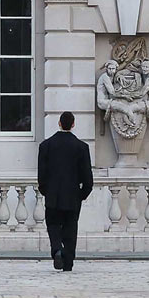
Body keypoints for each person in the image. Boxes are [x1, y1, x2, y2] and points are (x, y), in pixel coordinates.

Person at [36, 110, 92, 272]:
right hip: (73, 195)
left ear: (59, 123)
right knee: (70, 228)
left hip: (53, 194)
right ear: (73, 125)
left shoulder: (46, 146)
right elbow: (88, 178)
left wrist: (46, 190)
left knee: (52, 225)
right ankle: (68, 262)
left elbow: (42, 175)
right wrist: (81, 195)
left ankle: (56, 249)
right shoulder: (82, 147)